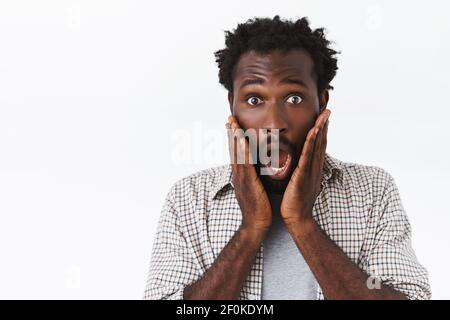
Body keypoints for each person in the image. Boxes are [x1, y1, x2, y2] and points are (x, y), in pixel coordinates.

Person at [143, 15, 431, 300]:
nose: (273, 123)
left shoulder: (373, 190)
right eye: (255, 99)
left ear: (322, 102)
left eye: (293, 98)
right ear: (232, 105)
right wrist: (250, 229)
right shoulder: (189, 199)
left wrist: (302, 224)